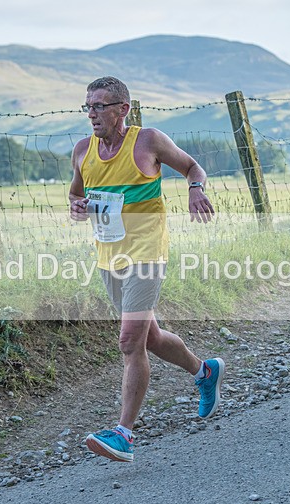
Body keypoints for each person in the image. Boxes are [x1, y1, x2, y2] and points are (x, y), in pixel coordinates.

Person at [68, 76, 223, 462]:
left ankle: (124, 434)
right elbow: (76, 192)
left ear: (124, 109)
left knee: (128, 341)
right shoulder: (82, 150)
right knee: (148, 338)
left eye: (100, 106)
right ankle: (204, 372)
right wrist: (77, 205)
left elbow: (192, 167)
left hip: (147, 253)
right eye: (88, 106)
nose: (92, 114)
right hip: (109, 257)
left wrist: (195, 190)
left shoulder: (148, 140)